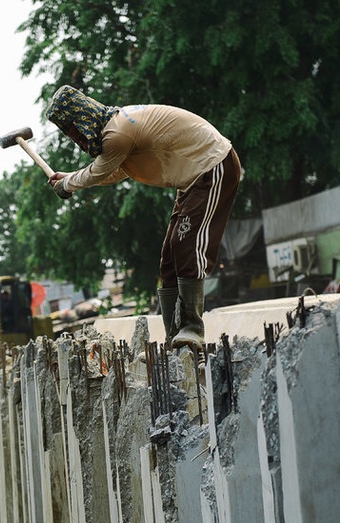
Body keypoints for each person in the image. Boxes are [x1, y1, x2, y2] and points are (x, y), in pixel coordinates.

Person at [44, 85, 242, 349]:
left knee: (187, 245)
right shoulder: (116, 130)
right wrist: (68, 179)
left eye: (71, 129)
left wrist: (67, 184)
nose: (74, 137)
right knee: (169, 256)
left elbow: (99, 172)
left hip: (213, 166)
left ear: (80, 118)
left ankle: (193, 328)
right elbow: (111, 171)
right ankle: (175, 335)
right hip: (192, 179)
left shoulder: (117, 133)